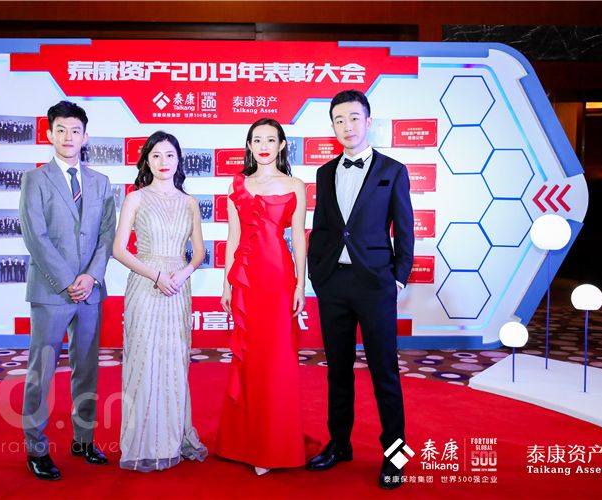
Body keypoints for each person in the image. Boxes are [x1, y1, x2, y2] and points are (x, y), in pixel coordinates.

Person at [306, 90, 414, 490]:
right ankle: (339, 444)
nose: (347, 126)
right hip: (333, 284)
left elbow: (405, 229)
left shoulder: (393, 170)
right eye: (339, 120)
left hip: (375, 285)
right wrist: (318, 274)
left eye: (353, 118)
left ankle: (395, 458)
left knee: (385, 373)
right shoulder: (325, 173)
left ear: (368, 121)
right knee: (337, 371)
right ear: (332, 126)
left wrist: (397, 277)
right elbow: (322, 228)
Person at [19, 101, 116, 480]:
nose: (68, 137)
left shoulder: (100, 182)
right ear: (49, 134)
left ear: (85, 136)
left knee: (86, 368)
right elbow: (35, 236)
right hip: (50, 291)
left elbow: (107, 235)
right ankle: (36, 448)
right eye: (61, 130)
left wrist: (91, 277)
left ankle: (83, 439)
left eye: (75, 130)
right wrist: (67, 281)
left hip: (90, 292)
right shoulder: (35, 180)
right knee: (41, 370)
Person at [215, 118, 312, 475]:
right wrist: (227, 284)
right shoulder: (238, 184)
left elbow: (299, 237)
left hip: (280, 278)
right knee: (251, 359)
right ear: (249, 145)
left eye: (271, 139)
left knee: (278, 360)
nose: (264, 146)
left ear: (282, 145)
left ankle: (274, 445)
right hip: (247, 280)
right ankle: (245, 442)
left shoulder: (296, 185)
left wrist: (301, 285)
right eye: (257, 140)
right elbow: (233, 237)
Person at [112, 131, 208, 471]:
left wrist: (183, 273)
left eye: (169, 155)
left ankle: (171, 439)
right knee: (143, 361)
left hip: (178, 288)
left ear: (179, 160)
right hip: (145, 285)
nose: (163, 161)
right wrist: (156, 276)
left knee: (174, 362)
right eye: (155, 155)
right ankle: (141, 444)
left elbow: (199, 253)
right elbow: (119, 249)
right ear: (146, 161)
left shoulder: (190, 203)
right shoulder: (135, 198)